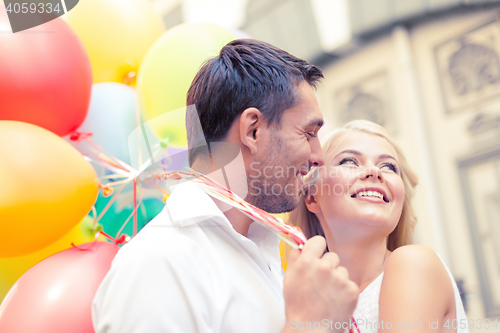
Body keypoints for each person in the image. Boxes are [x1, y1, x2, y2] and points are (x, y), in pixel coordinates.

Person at [92, 39, 359, 333]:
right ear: (252, 130)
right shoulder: (159, 262)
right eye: (308, 133)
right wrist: (308, 325)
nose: (319, 156)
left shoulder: (265, 252)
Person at [289, 120, 469, 333]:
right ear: (311, 197)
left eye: (389, 166)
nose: (374, 171)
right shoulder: (298, 295)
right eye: (349, 161)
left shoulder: (414, 263)